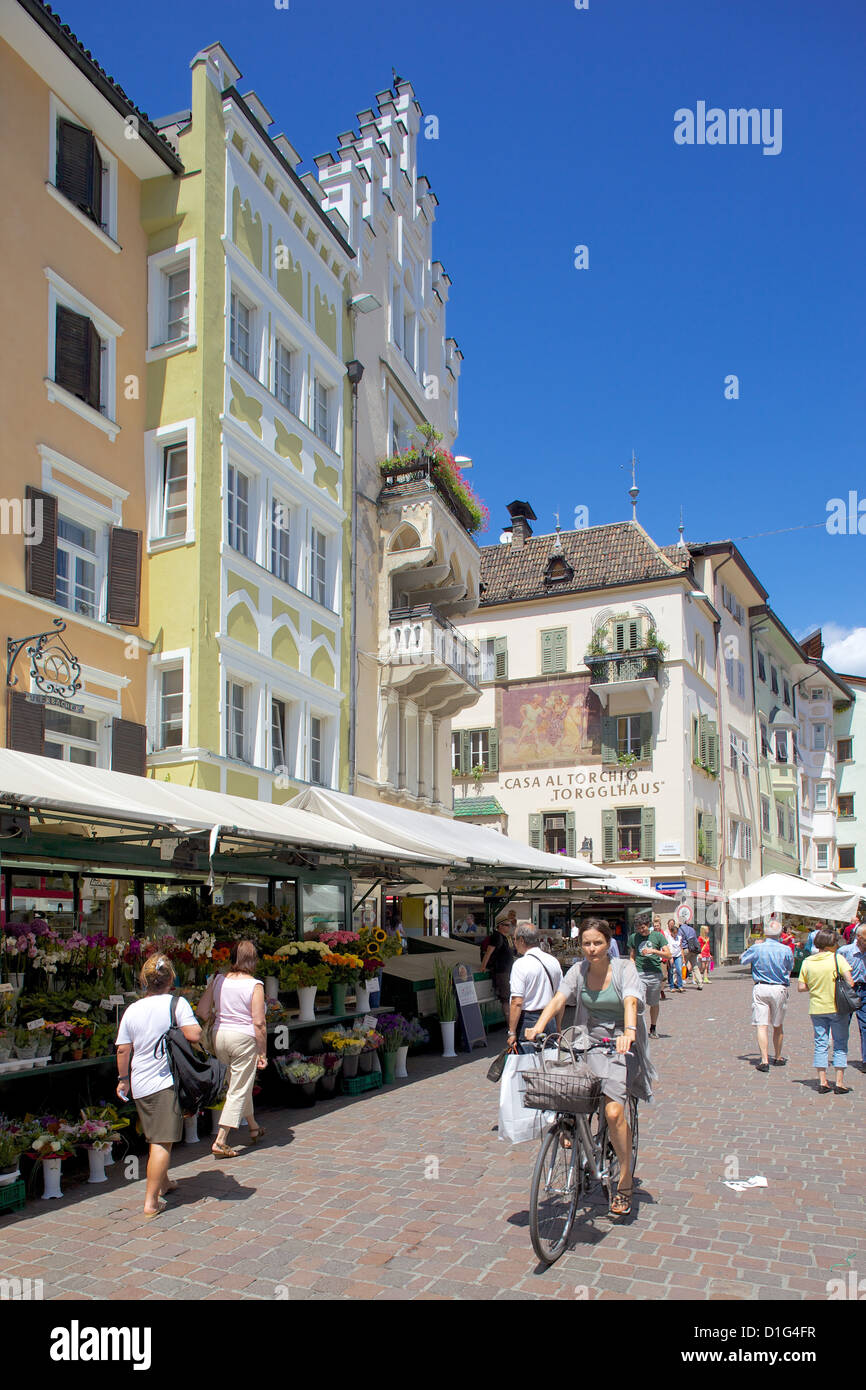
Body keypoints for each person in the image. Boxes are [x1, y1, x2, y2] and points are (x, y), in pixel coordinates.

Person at [526, 918, 656, 1219]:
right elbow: (559, 998)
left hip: (621, 1043)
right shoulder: (578, 970)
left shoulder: (624, 969)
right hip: (587, 1040)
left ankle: (623, 1180)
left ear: (608, 943)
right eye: (586, 943)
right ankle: (573, 1131)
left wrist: (630, 1033)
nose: (591, 948)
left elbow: (631, 1002)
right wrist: (538, 1027)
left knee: (612, 1113)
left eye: (597, 942)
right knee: (565, 1090)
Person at [115, 954, 201, 1218]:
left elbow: (122, 1050)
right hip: (164, 1080)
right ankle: (151, 1201)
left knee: (157, 1135)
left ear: (145, 981)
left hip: (140, 1082)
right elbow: (194, 1034)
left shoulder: (132, 1009)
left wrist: (123, 1080)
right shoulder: (177, 1003)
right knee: (161, 1142)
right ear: (171, 979)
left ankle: (164, 1182)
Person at [198, 939, 267, 1158]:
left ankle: (253, 1126)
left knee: (238, 1081)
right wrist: (262, 1051)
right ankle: (221, 1139)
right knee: (238, 1088)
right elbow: (259, 1022)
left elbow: (202, 1011)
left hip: (220, 1038)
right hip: (243, 1039)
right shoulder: (255, 985)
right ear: (253, 960)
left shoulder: (219, 979)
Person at [798, 928, 855, 1094]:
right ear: (832, 943)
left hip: (817, 1008)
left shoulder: (808, 962)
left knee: (820, 1043)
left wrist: (815, 985)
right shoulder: (837, 959)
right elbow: (850, 982)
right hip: (837, 1007)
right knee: (840, 1043)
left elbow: (801, 987)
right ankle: (839, 1081)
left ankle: (822, 1081)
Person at [740, 920, 794, 1073]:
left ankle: (764, 1060)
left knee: (761, 1025)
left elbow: (743, 959)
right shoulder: (785, 949)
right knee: (778, 1025)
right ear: (780, 934)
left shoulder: (757, 947)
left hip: (761, 986)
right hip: (779, 988)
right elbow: (789, 967)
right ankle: (777, 1056)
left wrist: (754, 947)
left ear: (765, 933)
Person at [507, 922, 564, 1045]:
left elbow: (517, 1002)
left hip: (528, 1021)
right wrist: (558, 1027)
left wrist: (512, 1032)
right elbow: (560, 999)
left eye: (515, 939)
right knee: (548, 1061)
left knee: (528, 1061)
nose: (514, 944)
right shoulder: (553, 961)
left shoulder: (520, 964)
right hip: (550, 1020)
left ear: (521, 940)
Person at [629, 912, 671, 1037]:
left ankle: (653, 1027)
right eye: (638, 928)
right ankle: (638, 1029)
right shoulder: (633, 937)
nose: (641, 930)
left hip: (655, 973)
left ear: (648, 925)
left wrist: (653, 951)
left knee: (653, 1003)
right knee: (637, 1002)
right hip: (640, 973)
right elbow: (632, 956)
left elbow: (668, 955)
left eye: (643, 927)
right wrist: (632, 967)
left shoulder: (658, 936)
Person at [839, 925, 866, 1067]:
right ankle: (840, 1057)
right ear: (859, 937)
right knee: (843, 1024)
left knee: (865, 1025)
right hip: (848, 989)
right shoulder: (845, 951)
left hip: (864, 989)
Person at [481, 916, 516, 1022]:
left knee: (509, 997)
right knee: (506, 998)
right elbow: (488, 952)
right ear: (499, 926)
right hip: (502, 971)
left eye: (510, 925)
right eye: (506, 925)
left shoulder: (506, 937)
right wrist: (483, 967)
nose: (509, 927)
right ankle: (510, 1025)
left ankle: (512, 1023)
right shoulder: (497, 937)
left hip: (508, 971)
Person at [677, 917, 703, 988]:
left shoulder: (680, 930)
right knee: (695, 966)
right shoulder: (692, 929)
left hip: (685, 949)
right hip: (693, 949)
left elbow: (679, 940)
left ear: (680, 922)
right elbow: (695, 939)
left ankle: (678, 982)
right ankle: (700, 983)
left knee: (681, 965)